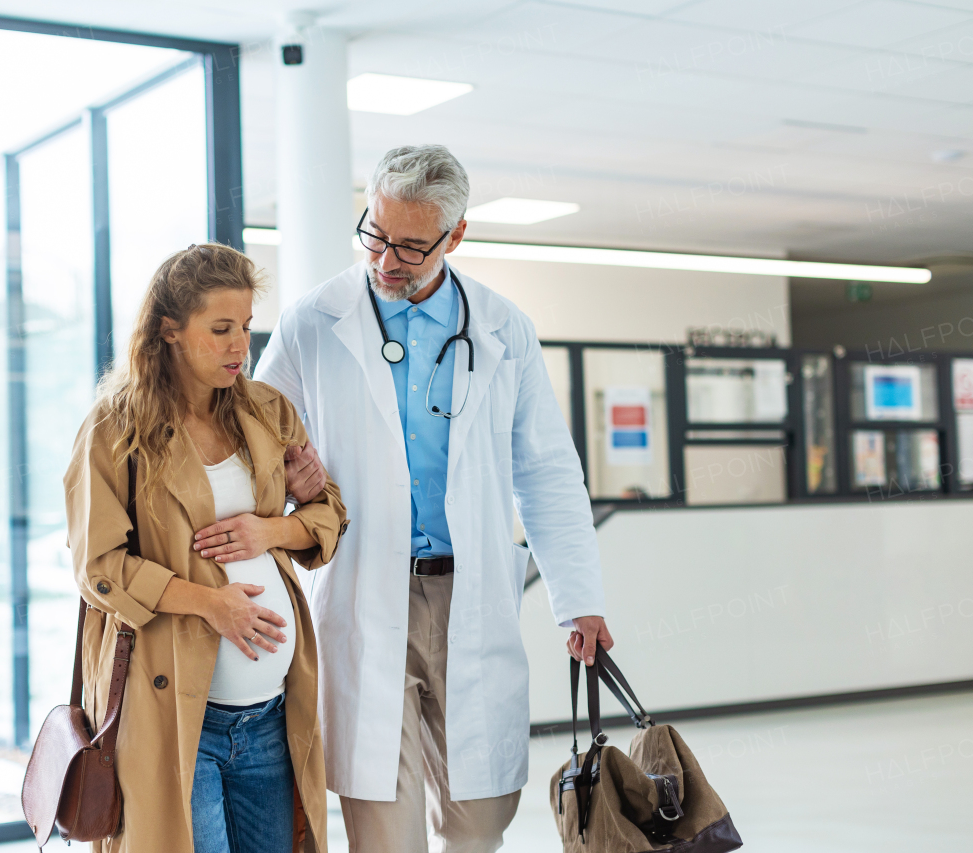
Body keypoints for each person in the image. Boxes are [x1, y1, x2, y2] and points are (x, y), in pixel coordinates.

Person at [255, 145, 612, 852]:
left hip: (470, 597)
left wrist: (579, 597)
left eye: (411, 247)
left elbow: (544, 469)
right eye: (376, 235)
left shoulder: (504, 328)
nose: (386, 260)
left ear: (455, 237)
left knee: (479, 824)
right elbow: (254, 445)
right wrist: (290, 493)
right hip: (361, 590)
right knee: (384, 832)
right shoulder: (311, 323)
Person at [63, 243, 348, 853]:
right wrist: (212, 604)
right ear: (169, 330)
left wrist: (274, 528)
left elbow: (329, 514)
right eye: (220, 330)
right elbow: (99, 566)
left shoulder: (268, 411)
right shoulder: (115, 428)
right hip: (172, 718)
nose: (240, 347)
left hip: (272, 714)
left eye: (245, 328)